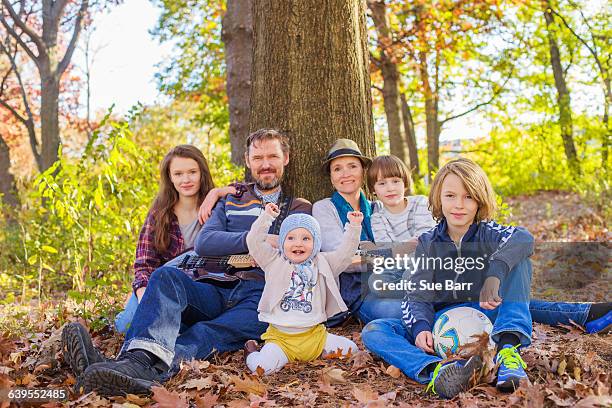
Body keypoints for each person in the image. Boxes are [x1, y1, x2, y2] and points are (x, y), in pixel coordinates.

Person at [61, 129, 311, 396]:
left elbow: (293, 247)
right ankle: (129, 366)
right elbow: (207, 242)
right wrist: (259, 239)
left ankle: (129, 369)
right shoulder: (229, 200)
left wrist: (245, 240)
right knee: (165, 277)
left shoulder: (297, 207)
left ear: (286, 158)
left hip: (261, 297)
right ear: (247, 161)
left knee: (206, 332)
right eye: (258, 157)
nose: (265, 164)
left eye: (272, 156)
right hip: (214, 284)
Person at [361, 158, 611, 400]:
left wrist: (495, 273)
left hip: (484, 312)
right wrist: (421, 328)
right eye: (450, 196)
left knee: (518, 259)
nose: (459, 204)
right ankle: (436, 371)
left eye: (468, 196)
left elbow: (524, 238)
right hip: (444, 322)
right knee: (375, 330)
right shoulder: (428, 243)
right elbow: (417, 293)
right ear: (438, 198)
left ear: (480, 201)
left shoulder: (489, 233)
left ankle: (508, 351)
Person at [112, 145, 236, 334]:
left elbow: (247, 191)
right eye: (178, 174)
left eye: (192, 172)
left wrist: (217, 192)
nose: (186, 180)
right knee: (125, 326)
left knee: (178, 327)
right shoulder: (159, 214)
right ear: (169, 177)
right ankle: (119, 315)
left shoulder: (218, 207)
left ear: (202, 173)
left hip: (200, 290)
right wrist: (146, 295)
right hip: (160, 285)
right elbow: (144, 264)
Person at [243, 204, 360, 375]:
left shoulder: (323, 263)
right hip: (281, 341)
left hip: (315, 337)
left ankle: (316, 354)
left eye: (306, 238)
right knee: (263, 369)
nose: (298, 243)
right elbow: (253, 241)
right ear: (282, 242)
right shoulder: (272, 261)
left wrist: (354, 227)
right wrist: (266, 217)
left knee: (351, 349)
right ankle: (251, 352)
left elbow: (345, 253)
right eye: (291, 238)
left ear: (316, 243)